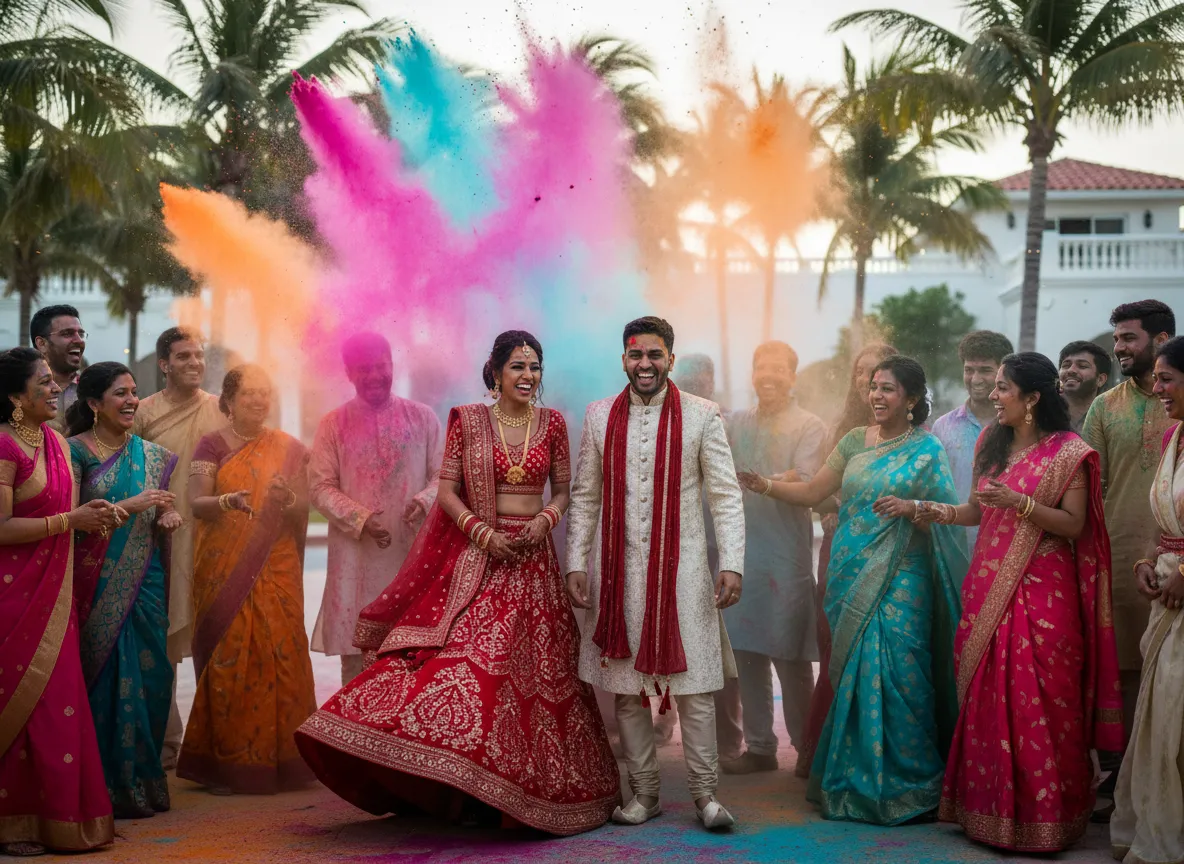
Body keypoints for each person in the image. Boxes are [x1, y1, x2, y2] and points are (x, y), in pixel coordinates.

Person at [296, 331, 620, 835]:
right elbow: (447, 492)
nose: (528, 376)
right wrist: (484, 534)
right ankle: (458, 788)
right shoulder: (467, 421)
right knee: (467, 669)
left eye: (534, 367)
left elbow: (564, 490)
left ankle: (521, 791)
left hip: (534, 563)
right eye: (517, 367)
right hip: (481, 559)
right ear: (495, 372)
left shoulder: (553, 423)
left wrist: (546, 521)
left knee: (533, 677)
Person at [741, 356, 966, 825]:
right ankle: (853, 781)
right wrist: (764, 485)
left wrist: (912, 507)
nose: (876, 396)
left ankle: (910, 782)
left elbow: (947, 518)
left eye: (888, 389)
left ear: (911, 398)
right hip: (850, 570)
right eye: (873, 387)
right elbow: (814, 493)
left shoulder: (927, 449)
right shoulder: (852, 441)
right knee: (856, 674)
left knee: (901, 672)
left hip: (904, 576)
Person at [913, 352, 1122, 851]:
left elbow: (1074, 524)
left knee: (1045, 701)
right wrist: (930, 510)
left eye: (1003, 387)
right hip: (988, 587)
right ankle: (987, 814)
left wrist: (1022, 504)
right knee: (989, 697)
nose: (993, 395)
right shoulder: (991, 442)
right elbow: (974, 510)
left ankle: (1047, 821)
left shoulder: (1069, 452)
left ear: (1032, 398)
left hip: (1045, 595)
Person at [565, 316, 746, 830]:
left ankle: (706, 796)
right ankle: (644, 795)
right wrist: (576, 560)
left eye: (654, 355)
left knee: (695, 688)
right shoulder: (599, 415)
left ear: (670, 358)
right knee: (627, 690)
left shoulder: (703, 415)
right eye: (635, 355)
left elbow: (725, 495)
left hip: (683, 573)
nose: (645, 364)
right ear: (623, 359)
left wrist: (732, 561)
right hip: (618, 572)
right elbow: (586, 495)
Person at [0, 347, 124, 855]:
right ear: (15, 397)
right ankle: (13, 824)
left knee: (58, 706)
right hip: (13, 598)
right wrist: (69, 521)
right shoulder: (4, 446)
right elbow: (1, 527)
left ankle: (59, 819)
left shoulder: (53, 441)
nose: (56, 388)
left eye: (54, 380)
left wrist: (89, 514)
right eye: (44, 381)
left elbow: (62, 513)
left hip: (55, 597)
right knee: (20, 704)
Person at [178, 364, 315, 794]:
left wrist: (285, 498)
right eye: (248, 394)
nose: (258, 400)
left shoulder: (288, 448)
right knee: (231, 656)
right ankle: (229, 763)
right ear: (229, 401)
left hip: (276, 561)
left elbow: (304, 506)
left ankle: (286, 761)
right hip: (224, 565)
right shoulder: (212, 444)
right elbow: (197, 503)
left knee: (283, 651)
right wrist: (228, 501)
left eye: (263, 393)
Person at [66, 363, 182, 819]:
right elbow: (71, 523)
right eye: (120, 393)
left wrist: (166, 517)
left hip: (145, 581)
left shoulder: (152, 455)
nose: (132, 400)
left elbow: (160, 511)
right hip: (94, 584)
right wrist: (129, 507)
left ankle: (145, 782)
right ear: (94, 403)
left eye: (134, 391)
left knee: (153, 677)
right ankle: (106, 787)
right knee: (104, 682)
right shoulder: (75, 452)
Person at [1083, 299, 1175, 816]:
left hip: (1172, 557)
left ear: (1161, 340)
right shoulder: (1105, 407)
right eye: (1116, 338)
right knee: (1118, 669)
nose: (1118, 347)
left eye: (1128, 338)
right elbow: (1090, 489)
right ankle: (1123, 784)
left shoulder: (1177, 403)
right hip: (1117, 558)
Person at [309, 333, 442, 686]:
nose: (375, 376)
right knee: (357, 664)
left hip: (410, 555)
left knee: (413, 661)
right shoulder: (333, 424)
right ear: (349, 373)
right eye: (364, 369)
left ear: (392, 365)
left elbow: (444, 476)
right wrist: (361, 518)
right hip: (355, 560)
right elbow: (319, 487)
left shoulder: (422, 418)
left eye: (382, 366)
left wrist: (424, 500)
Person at [722, 341, 826, 775]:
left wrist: (762, 481)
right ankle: (761, 747)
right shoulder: (735, 422)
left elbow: (807, 479)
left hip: (786, 556)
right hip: (742, 553)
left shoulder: (810, 425)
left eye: (778, 369)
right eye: (761, 368)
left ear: (792, 376)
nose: (768, 376)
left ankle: (806, 749)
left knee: (790, 656)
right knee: (746, 653)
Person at [795, 341, 897, 779]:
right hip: (840, 550)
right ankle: (827, 751)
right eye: (860, 373)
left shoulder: (913, 436)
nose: (866, 382)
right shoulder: (843, 431)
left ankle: (874, 755)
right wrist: (830, 509)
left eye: (876, 374)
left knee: (882, 650)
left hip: (890, 552)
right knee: (835, 642)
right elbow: (818, 492)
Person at [132, 327, 225, 770]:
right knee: (163, 641)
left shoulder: (219, 410)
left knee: (213, 641)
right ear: (164, 364)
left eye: (198, 355)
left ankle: (214, 743)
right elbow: (131, 471)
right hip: (160, 539)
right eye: (183, 356)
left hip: (211, 540)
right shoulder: (143, 413)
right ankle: (167, 744)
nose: (194, 363)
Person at [1113, 335, 1184, 864]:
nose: (1156, 388)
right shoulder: (1174, 437)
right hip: (1167, 598)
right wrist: (1148, 560)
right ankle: (1161, 829)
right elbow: (1169, 522)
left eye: (1167, 379)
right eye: (1156, 378)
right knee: (1162, 713)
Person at [665, 354, 744, 763]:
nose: (697, 383)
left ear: (712, 381)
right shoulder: (664, 419)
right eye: (689, 378)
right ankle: (662, 723)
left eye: (703, 377)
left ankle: (728, 739)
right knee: (662, 633)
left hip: (718, 548)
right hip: (675, 548)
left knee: (717, 647)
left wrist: (732, 559)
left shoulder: (723, 420)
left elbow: (730, 490)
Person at [932, 331, 1014, 549]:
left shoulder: (1019, 428)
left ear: (1004, 372)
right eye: (969, 370)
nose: (976, 379)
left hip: (1006, 547)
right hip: (955, 545)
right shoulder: (942, 427)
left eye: (985, 370)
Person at [30, 305, 86, 428]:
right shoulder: (20, 393)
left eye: (81, 334)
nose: (79, 340)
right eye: (67, 334)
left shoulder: (93, 391)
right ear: (42, 343)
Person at [1059, 340, 1111, 433]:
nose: (1071, 370)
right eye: (1066, 365)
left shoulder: (1112, 418)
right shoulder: (1042, 413)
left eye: (1082, 366)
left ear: (1100, 379)